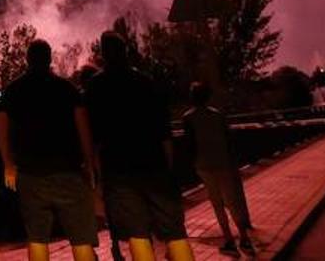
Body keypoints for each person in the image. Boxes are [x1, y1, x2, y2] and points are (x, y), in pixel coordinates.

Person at [84, 33, 193, 261]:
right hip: (154, 165)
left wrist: (96, 175)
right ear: (126, 52)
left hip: (119, 171)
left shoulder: (95, 88)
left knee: (137, 234)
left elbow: (92, 138)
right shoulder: (147, 83)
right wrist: (169, 168)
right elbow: (164, 133)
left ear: (103, 55)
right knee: (175, 233)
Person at [0, 39, 99, 261]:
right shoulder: (67, 89)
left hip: (31, 175)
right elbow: (84, 129)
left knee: (37, 238)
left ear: (27, 59)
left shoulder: (13, 90)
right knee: (81, 238)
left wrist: (8, 164)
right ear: (50, 58)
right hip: (68, 172)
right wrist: (90, 164)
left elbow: (2, 129)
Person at [182, 82, 252, 256]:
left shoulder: (188, 118)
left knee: (217, 203)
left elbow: (189, 145)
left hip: (204, 165)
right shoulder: (218, 115)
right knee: (232, 201)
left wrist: (189, 164)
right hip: (223, 162)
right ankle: (244, 238)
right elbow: (228, 140)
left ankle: (228, 239)